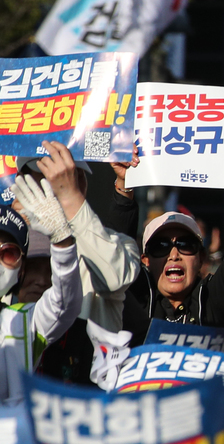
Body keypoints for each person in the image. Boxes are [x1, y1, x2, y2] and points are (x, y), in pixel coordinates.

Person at [17, 144, 142, 385]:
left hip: (87, 402)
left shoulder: (118, 243)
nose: (57, 185)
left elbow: (114, 278)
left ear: (82, 184)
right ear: (24, 182)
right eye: (47, 177)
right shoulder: (10, 241)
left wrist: (70, 200)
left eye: (69, 177)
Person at [120, 165, 224, 340]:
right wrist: (125, 182)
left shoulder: (211, 300)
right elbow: (118, 252)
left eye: (185, 244)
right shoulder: (135, 298)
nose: (174, 254)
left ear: (201, 258)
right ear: (145, 260)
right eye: (161, 246)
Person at [0, 193, 82, 400]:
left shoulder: (23, 321)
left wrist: (62, 241)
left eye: (8, 253)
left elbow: (64, 303)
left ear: (20, 269)